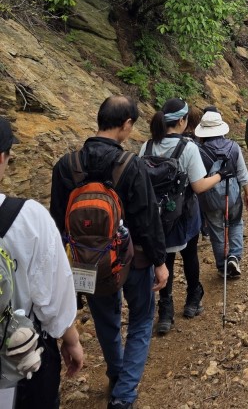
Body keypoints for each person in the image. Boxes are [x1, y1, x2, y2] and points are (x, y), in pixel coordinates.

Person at [51, 95, 168, 409]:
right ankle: (125, 393)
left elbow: (57, 222)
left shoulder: (67, 165)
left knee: (106, 319)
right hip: (136, 260)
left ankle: (117, 373)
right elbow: (147, 219)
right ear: (126, 125)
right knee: (142, 318)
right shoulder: (131, 165)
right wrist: (160, 262)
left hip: (88, 263)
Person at [0, 117, 83, 409]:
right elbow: (52, 296)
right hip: (24, 358)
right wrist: (70, 340)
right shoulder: (27, 217)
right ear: (3, 158)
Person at [140, 98, 228, 335]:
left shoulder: (147, 146)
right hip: (185, 214)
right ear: (181, 120)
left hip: (157, 217)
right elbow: (199, 186)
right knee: (190, 256)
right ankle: (192, 300)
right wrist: (221, 175)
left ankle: (165, 311)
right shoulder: (188, 148)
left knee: (165, 259)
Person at [194, 110, 248, 279]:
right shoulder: (233, 147)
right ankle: (234, 256)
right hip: (232, 195)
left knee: (217, 230)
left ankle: (222, 265)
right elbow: (242, 173)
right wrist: (247, 194)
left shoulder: (199, 151)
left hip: (209, 198)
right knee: (235, 223)